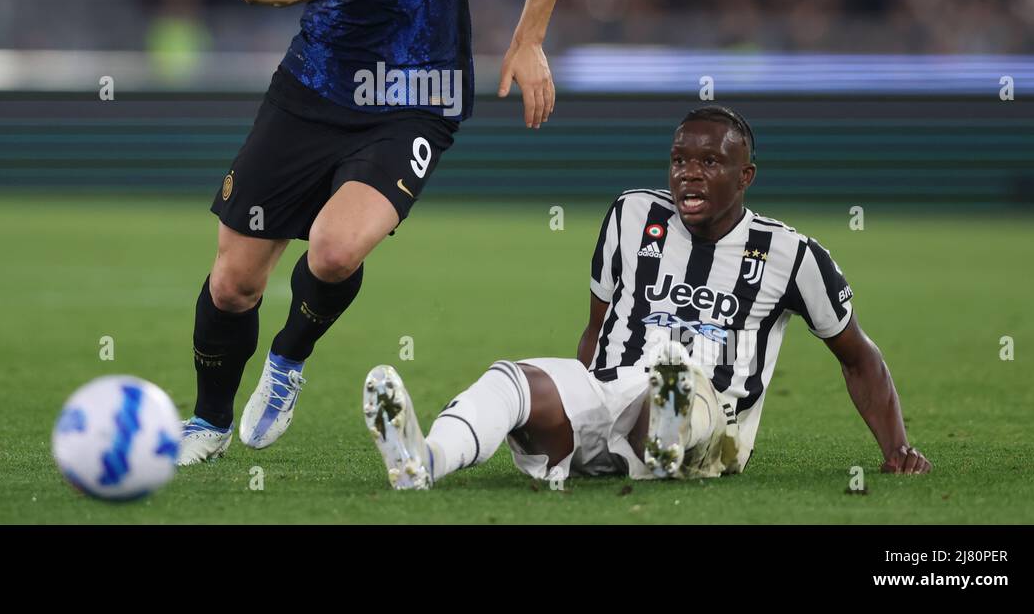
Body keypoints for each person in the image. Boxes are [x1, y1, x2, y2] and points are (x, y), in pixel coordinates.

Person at [180, 0, 580, 463]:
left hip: (414, 97)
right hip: (311, 86)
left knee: (332, 251)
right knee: (233, 283)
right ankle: (207, 420)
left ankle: (290, 358)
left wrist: (529, 41)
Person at [362, 105, 933, 488]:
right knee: (511, 381)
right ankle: (424, 460)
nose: (689, 174)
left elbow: (859, 357)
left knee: (675, 378)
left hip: (717, 424)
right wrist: (573, 395)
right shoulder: (632, 215)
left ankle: (667, 437)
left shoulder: (792, 255)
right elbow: (597, 327)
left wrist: (896, 447)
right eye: (680, 160)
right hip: (616, 391)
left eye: (710, 163)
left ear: (746, 176)